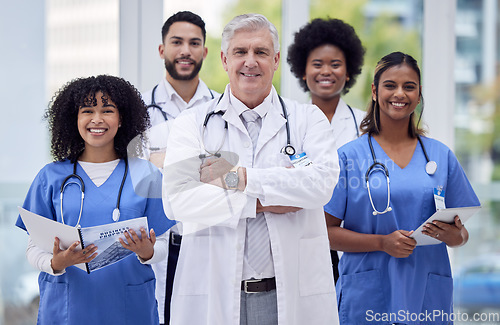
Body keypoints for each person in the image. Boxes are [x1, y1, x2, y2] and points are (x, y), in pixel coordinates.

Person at [162, 13, 340, 325]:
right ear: (223, 58)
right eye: (240, 52)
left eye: (260, 52)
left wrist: (240, 177)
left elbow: (319, 183)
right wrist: (259, 202)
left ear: (275, 60)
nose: (250, 61)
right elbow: (177, 198)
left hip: (288, 296)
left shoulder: (307, 121)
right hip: (213, 292)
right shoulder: (192, 124)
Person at [324, 52, 480, 324]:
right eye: (390, 85)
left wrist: (455, 237)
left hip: (426, 294)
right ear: (374, 91)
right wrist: (382, 243)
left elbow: (461, 234)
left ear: (419, 95)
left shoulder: (440, 157)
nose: (400, 93)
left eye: (409, 86)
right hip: (367, 295)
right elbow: (324, 233)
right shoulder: (348, 157)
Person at [15, 75, 175, 324]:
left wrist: (147, 251)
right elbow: (33, 249)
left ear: (121, 118)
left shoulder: (147, 175)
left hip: (129, 309)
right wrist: (56, 262)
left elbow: (162, 243)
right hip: (68, 308)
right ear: (74, 119)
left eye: (107, 110)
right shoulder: (51, 177)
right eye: (87, 110)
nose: (97, 119)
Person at [141, 11, 219, 325]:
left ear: (205, 51)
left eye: (194, 42)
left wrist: (168, 164)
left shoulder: (223, 108)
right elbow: (132, 174)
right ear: (162, 50)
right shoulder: (138, 110)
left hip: (207, 239)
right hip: (156, 241)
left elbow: (232, 173)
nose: (185, 50)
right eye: (177, 42)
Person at [287, 17, 365, 283]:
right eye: (317, 64)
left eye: (336, 64)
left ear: (349, 71)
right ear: (302, 70)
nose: (326, 71)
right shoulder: (287, 125)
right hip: (300, 237)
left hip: (350, 239)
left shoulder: (366, 126)